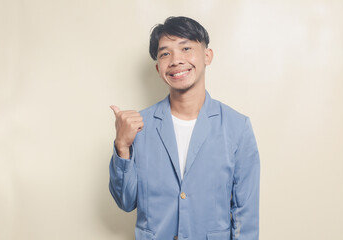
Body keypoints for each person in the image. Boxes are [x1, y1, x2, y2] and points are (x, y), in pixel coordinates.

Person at [109, 16, 260, 240]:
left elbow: (245, 215)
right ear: (158, 67)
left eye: (186, 48)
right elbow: (126, 202)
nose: (176, 60)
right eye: (165, 53)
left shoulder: (237, 127)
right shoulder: (139, 126)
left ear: (207, 56)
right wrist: (122, 146)